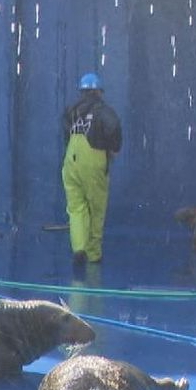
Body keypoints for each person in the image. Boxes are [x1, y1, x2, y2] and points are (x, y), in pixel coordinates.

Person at [61, 72, 121, 266]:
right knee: (96, 207)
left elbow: (65, 133)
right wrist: (113, 148)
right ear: (99, 91)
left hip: (71, 160)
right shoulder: (103, 110)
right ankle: (93, 254)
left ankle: (78, 248)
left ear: (82, 91)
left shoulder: (72, 110)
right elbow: (113, 128)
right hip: (93, 158)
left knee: (76, 208)